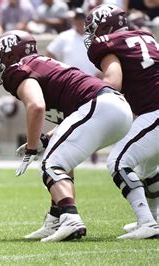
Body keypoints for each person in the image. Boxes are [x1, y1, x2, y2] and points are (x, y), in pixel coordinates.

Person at [0, 30, 133, 242]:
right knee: (59, 158)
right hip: (115, 109)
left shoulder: (18, 69)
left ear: (10, 55)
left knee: (50, 165)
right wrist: (44, 140)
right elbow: (68, 120)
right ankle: (56, 218)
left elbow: (36, 106)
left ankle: (71, 219)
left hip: (99, 106)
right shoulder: (44, 64)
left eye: (0, 56)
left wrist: (31, 147)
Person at [84, 4, 159, 239]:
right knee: (148, 168)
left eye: (93, 29)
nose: (91, 35)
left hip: (155, 111)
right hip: (153, 110)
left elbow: (113, 82)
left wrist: (90, 94)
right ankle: (155, 219)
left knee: (118, 162)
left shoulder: (109, 45)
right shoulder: (145, 36)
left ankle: (146, 222)